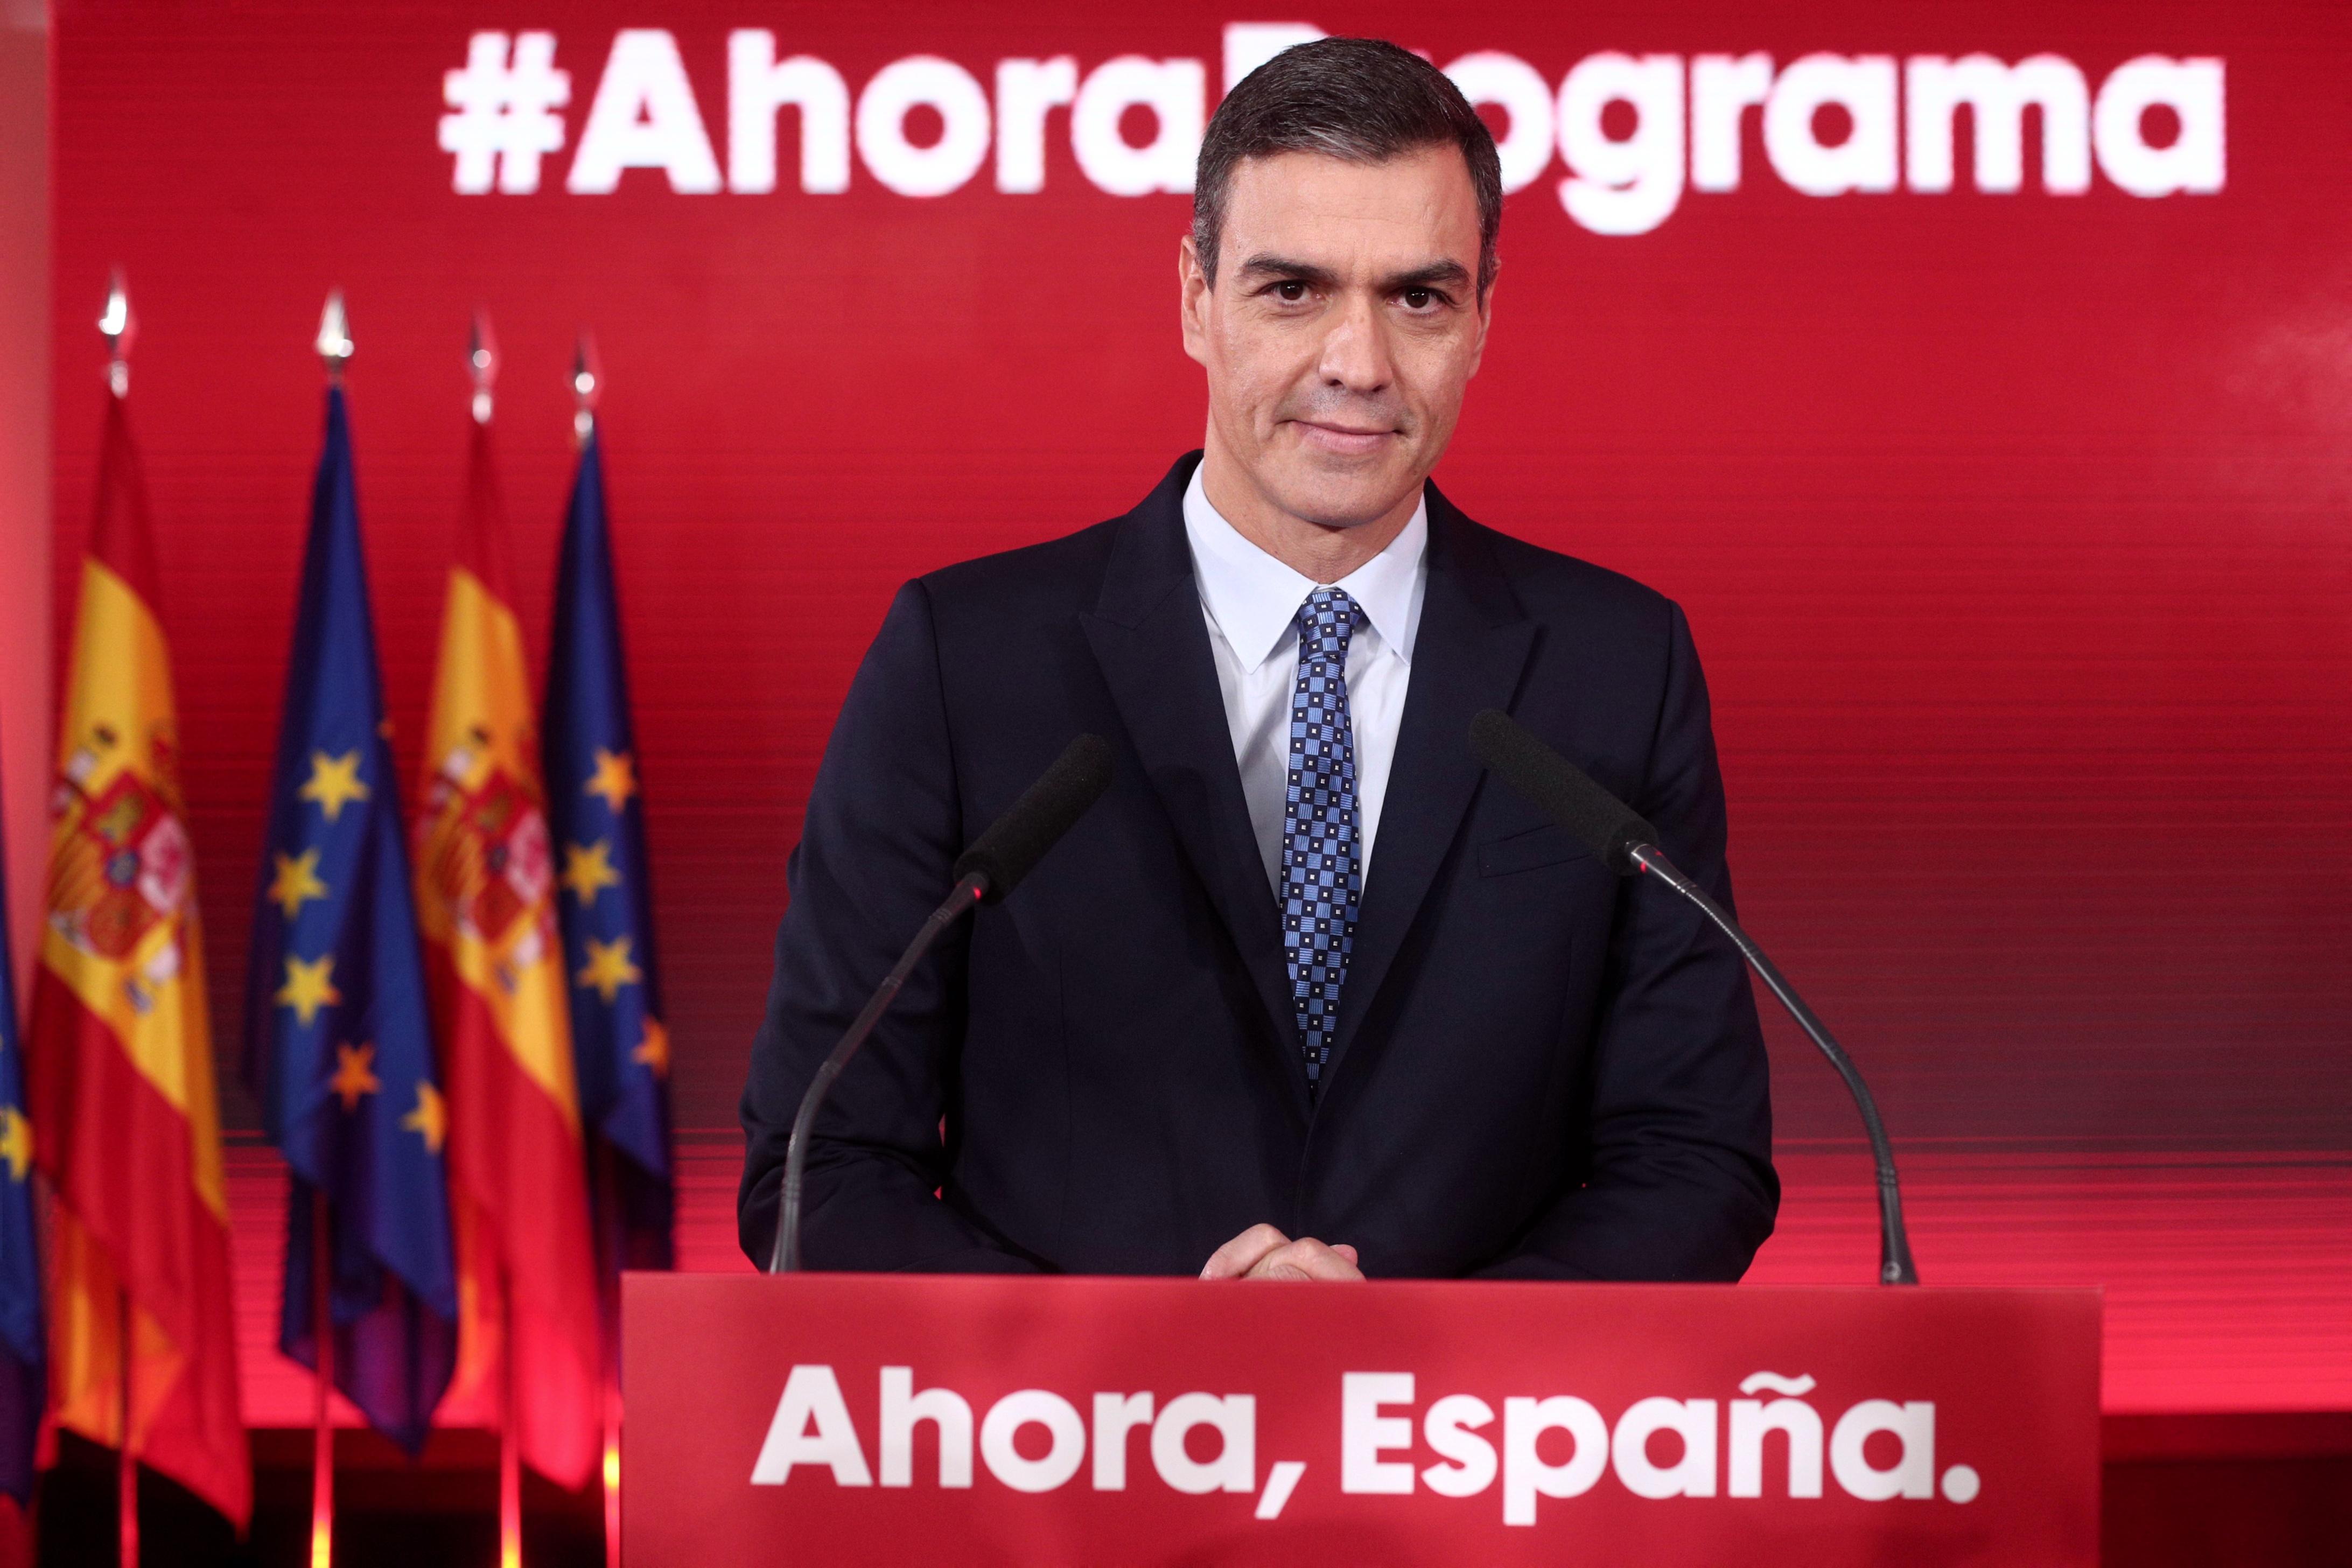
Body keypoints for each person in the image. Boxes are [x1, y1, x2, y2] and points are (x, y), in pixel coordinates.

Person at [739, 38, 1775, 1283]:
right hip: (1065, 1458)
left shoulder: (1617, 667)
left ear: (1485, 318)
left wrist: (1416, 1369)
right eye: (1293, 290)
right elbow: (823, 1164)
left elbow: (1694, 1158)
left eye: (1419, 297)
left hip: (1475, 1461)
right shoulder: (964, 663)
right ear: (1194, 297)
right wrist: (1145, 1376)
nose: (1357, 362)